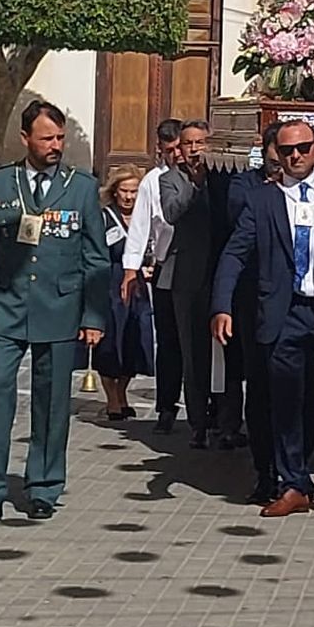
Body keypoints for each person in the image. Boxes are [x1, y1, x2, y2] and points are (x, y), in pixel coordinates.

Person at [211, 118, 314, 518]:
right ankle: (294, 483)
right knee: (284, 401)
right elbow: (235, 253)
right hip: (284, 313)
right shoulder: (262, 200)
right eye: (287, 151)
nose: (296, 156)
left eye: (303, 148)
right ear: (277, 155)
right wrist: (221, 304)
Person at [0, 101, 108, 525]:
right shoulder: (3, 183)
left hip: (60, 308)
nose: (55, 146)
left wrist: (93, 317)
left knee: (51, 401)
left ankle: (44, 486)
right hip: (6, 306)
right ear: (25, 138)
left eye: (60, 138)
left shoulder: (80, 187)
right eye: (47, 138)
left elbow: (96, 259)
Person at [229, 124, 286, 504]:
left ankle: (293, 470)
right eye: (280, 150)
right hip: (256, 304)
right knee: (261, 390)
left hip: (295, 305)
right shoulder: (245, 186)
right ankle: (264, 472)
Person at [158, 120, 218, 447]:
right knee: (193, 351)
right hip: (187, 276)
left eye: (200, 142)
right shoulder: (170, 180)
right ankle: (197, 422)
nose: (194, 149)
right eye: (188, 143)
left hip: (218, 271)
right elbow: (171, 213)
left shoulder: (222, 177)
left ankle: (227, 417)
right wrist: (195, 185)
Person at [121, 119, 184, 431]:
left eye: (179, 148)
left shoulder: (198, 176)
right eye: (169, 150)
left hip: (197, 267)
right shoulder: (151, 182)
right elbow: (140, 227)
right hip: (165, 267)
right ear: (160, 149)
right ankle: (167, 406)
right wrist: (130, 269)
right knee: (169, 341)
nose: (176, 155)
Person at [96, 165, 155, 421]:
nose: (130, 197)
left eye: (134, 191)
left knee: (134, 340)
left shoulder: (146, 218)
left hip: (139, 287)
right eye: (125, 191)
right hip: (111, 284)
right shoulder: (104, 217)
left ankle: (122, 393)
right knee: (111, 341)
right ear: (114, 192)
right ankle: (112, 400)